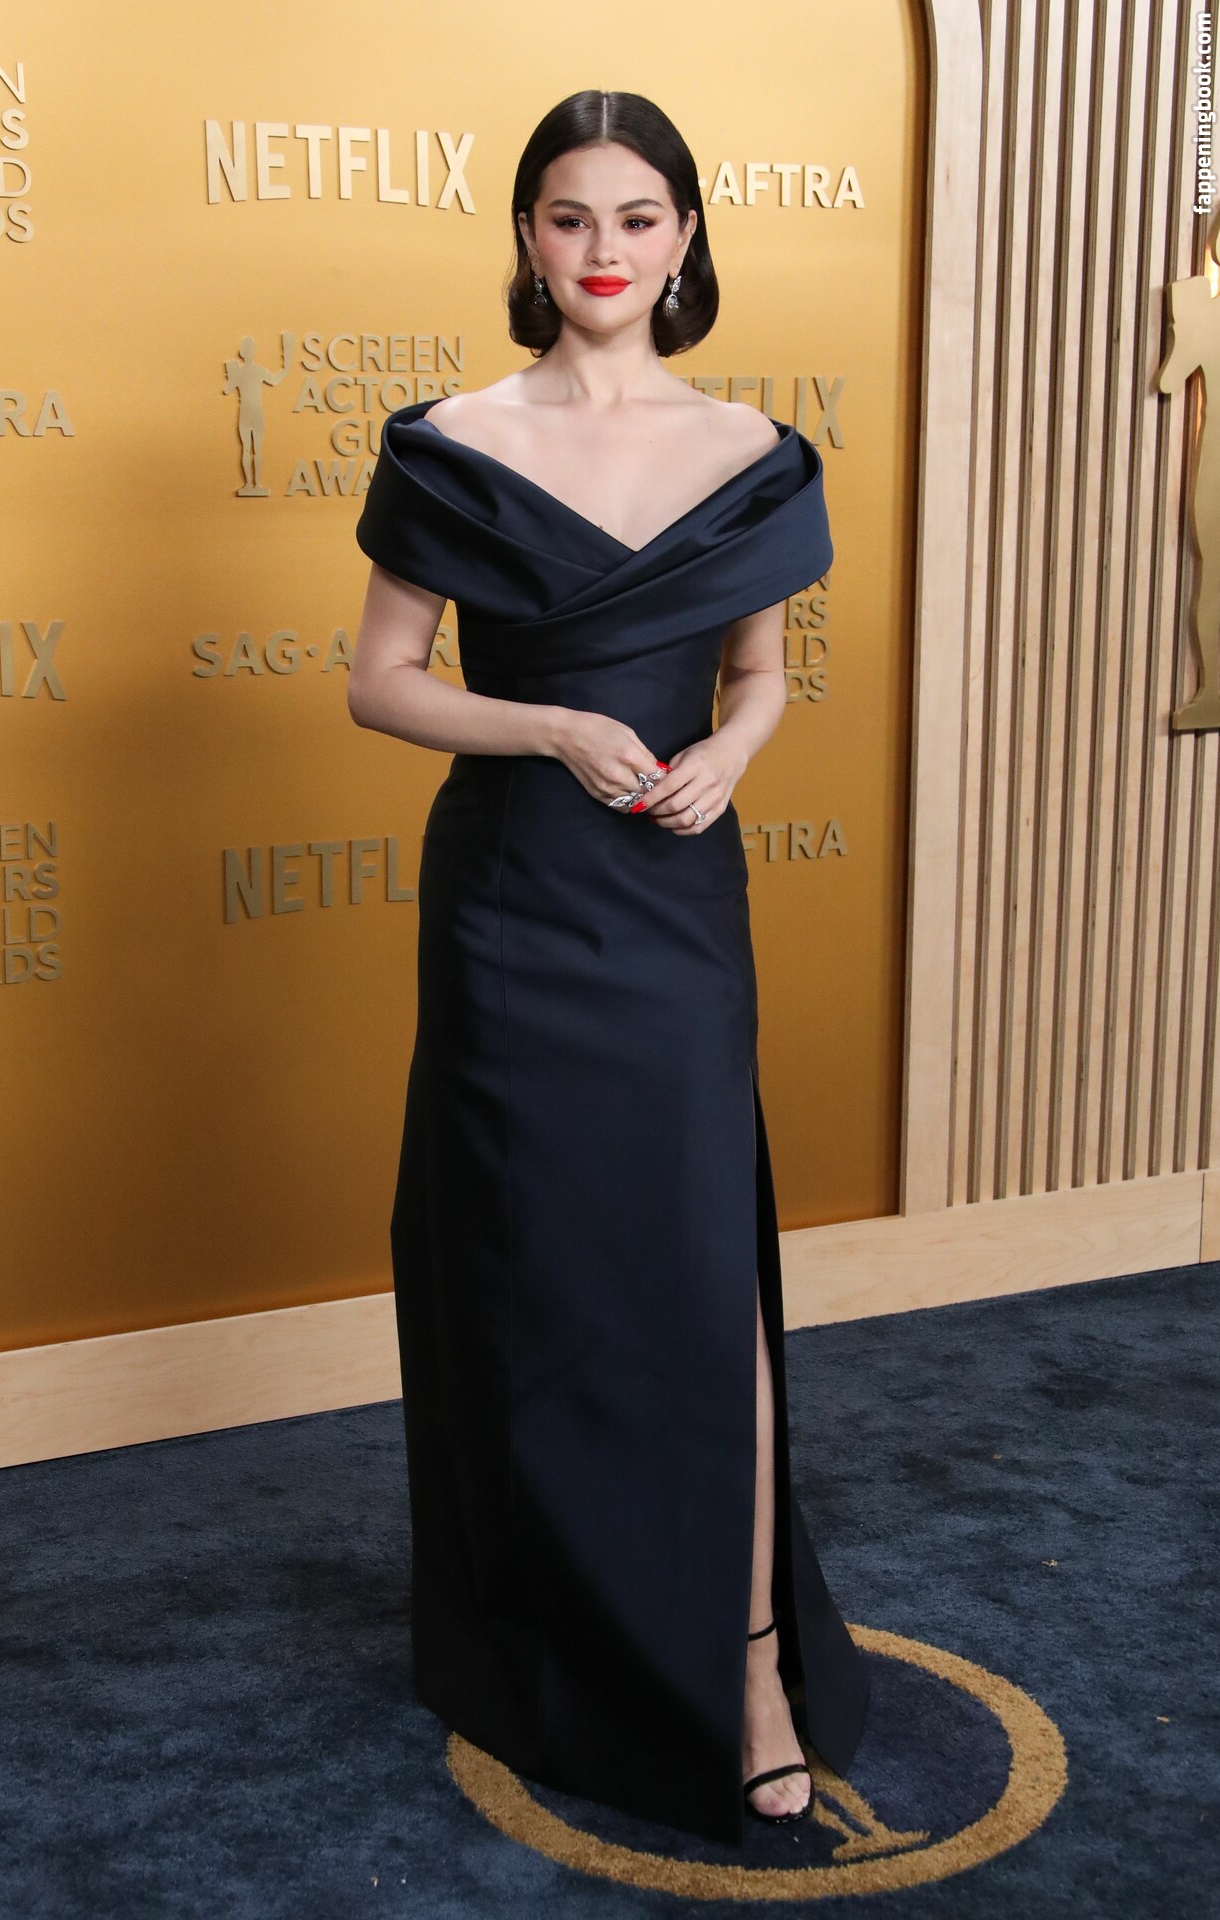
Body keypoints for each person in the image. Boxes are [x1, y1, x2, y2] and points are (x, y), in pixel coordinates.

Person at [348, 88, 869, 1847]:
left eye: (637, 219)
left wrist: (733, 753)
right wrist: (553, 726)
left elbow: (761, 675)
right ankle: (550, 1628)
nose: (602, 250)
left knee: (700, 1265)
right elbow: (380, 682)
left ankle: (751, 1668)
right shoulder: (450, 442)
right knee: (536, 1267)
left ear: (686, 239)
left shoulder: (753, 450)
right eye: (569, 217)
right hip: (513, 898)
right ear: (526, 236)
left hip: (671, 898)